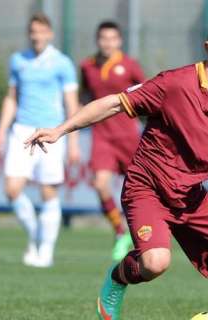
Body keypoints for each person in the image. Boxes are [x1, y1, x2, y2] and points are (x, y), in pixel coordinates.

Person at [25, 10, 208, 320]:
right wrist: (61, 130)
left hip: (190, 197)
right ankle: (118, 277)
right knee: (155, 263)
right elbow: (115, 103)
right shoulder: (174, 84)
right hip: (147, 189)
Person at [0, 13, 80, 268]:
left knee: (48, 191)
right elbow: (11, 97)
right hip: (21, 131)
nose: (36, 36)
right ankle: (35, 235)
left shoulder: (62, 63)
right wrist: (1, 130)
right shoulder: (18, 60)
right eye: (33, 31)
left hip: (50, 132)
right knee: (11, 190)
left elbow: (71, 103)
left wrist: (73, 141)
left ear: (49, 34)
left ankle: (46, 251)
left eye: (41, 31)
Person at [79, 21, 145, 261]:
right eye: (103, 38)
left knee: (141, 190)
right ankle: (120, 232)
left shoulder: (129, 66)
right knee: (100, 184)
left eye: (112, 39)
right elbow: (83, 99)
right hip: (102, 136)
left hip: (129, 137)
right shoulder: (87, 66)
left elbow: (147, 93)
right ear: (98, 40)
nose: (107, 43)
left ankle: (146, 234)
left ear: (119, 41)